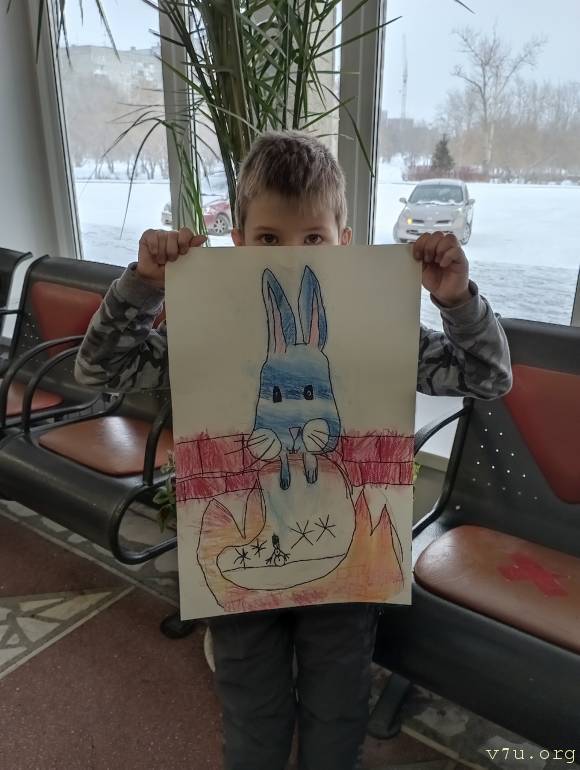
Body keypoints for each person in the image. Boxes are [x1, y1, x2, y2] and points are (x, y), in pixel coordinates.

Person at [74, 130, 512, 770]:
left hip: (344, 568)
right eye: (269, 238)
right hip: (243, 559)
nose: (289, 256)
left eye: (312, 238)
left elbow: (487, 378)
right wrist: (144, 284)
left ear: (343, 242)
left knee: (338, 708)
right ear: (239, 242)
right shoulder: (210, 326)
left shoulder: (376, 325)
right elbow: (99, 370)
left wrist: (456, 300)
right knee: (253, 709)